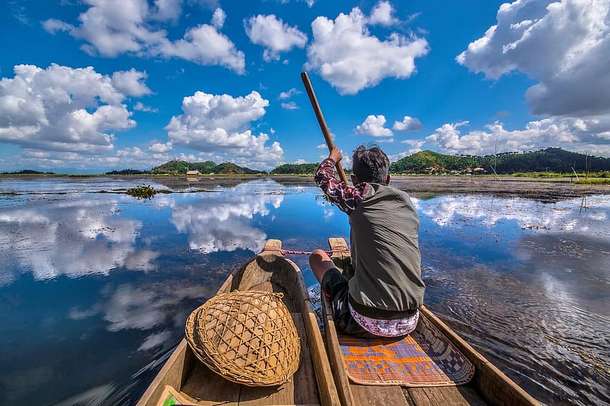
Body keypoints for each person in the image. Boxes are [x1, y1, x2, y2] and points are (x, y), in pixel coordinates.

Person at [309, 145, 425, 338]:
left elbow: (322, 176)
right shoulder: (406, 202)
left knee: (317, 257)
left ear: (354, 181)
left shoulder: (358, 195)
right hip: (410, 321)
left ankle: (337, 307)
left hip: (362, 321)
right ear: (388, 179)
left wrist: (333, 158)